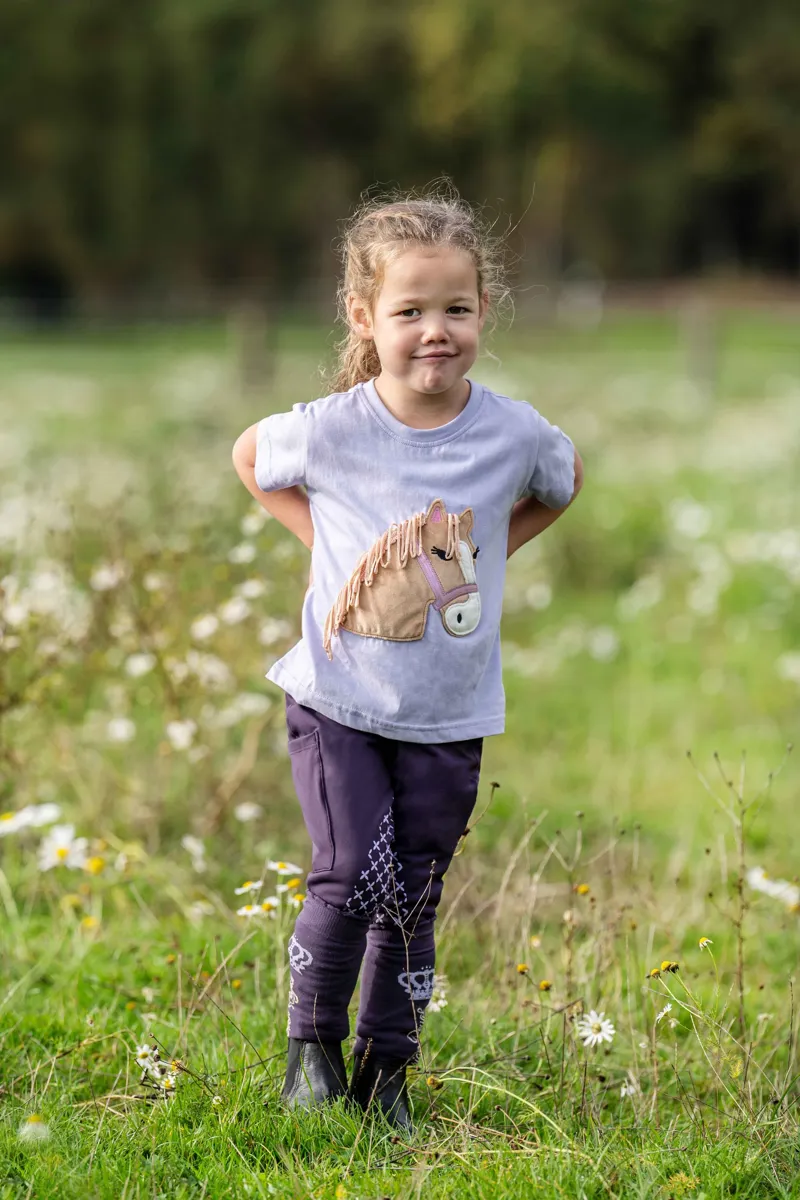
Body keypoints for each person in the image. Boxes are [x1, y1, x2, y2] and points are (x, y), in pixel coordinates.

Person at [231, 184, 583, 1133]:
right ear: (365, 316)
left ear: (483, 313)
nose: (436, 330)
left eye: (456, 310)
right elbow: (248, 454)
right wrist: (323, 546)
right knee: (351, 871)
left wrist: (492, 552)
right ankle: (312, 1049)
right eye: (410, 311)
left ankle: (391, 1069)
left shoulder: (510, 431)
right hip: (338, 695)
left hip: (450, 709)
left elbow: (565, 480)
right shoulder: (336, 425)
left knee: (416, 889)